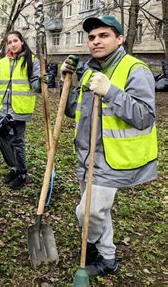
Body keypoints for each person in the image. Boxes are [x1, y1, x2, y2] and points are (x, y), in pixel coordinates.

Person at [62, 15, 158, 277]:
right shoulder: (91, 70)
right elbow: (73, 111)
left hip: (113, 158)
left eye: (103, 35)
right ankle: (107, 257)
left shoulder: (135, 69)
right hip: (86, 155)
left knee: (89, 212)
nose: (95, 41)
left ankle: (90, 243)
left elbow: (144, 116)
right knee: (98, 210)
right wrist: (68, 82)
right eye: (91, 37)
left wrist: (112, 91)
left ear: (120, 38)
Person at [0, 31, 41, 188]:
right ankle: (13, 168)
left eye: (15, 41)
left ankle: (22, 173)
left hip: (20, 108)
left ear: (22, 42)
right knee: (3, 139)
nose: (13, 44)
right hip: (2, 108)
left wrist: (42, 82)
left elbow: (36, 86)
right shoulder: (2, 62)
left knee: (17, 142)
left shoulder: (32, 61)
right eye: (10, 42)